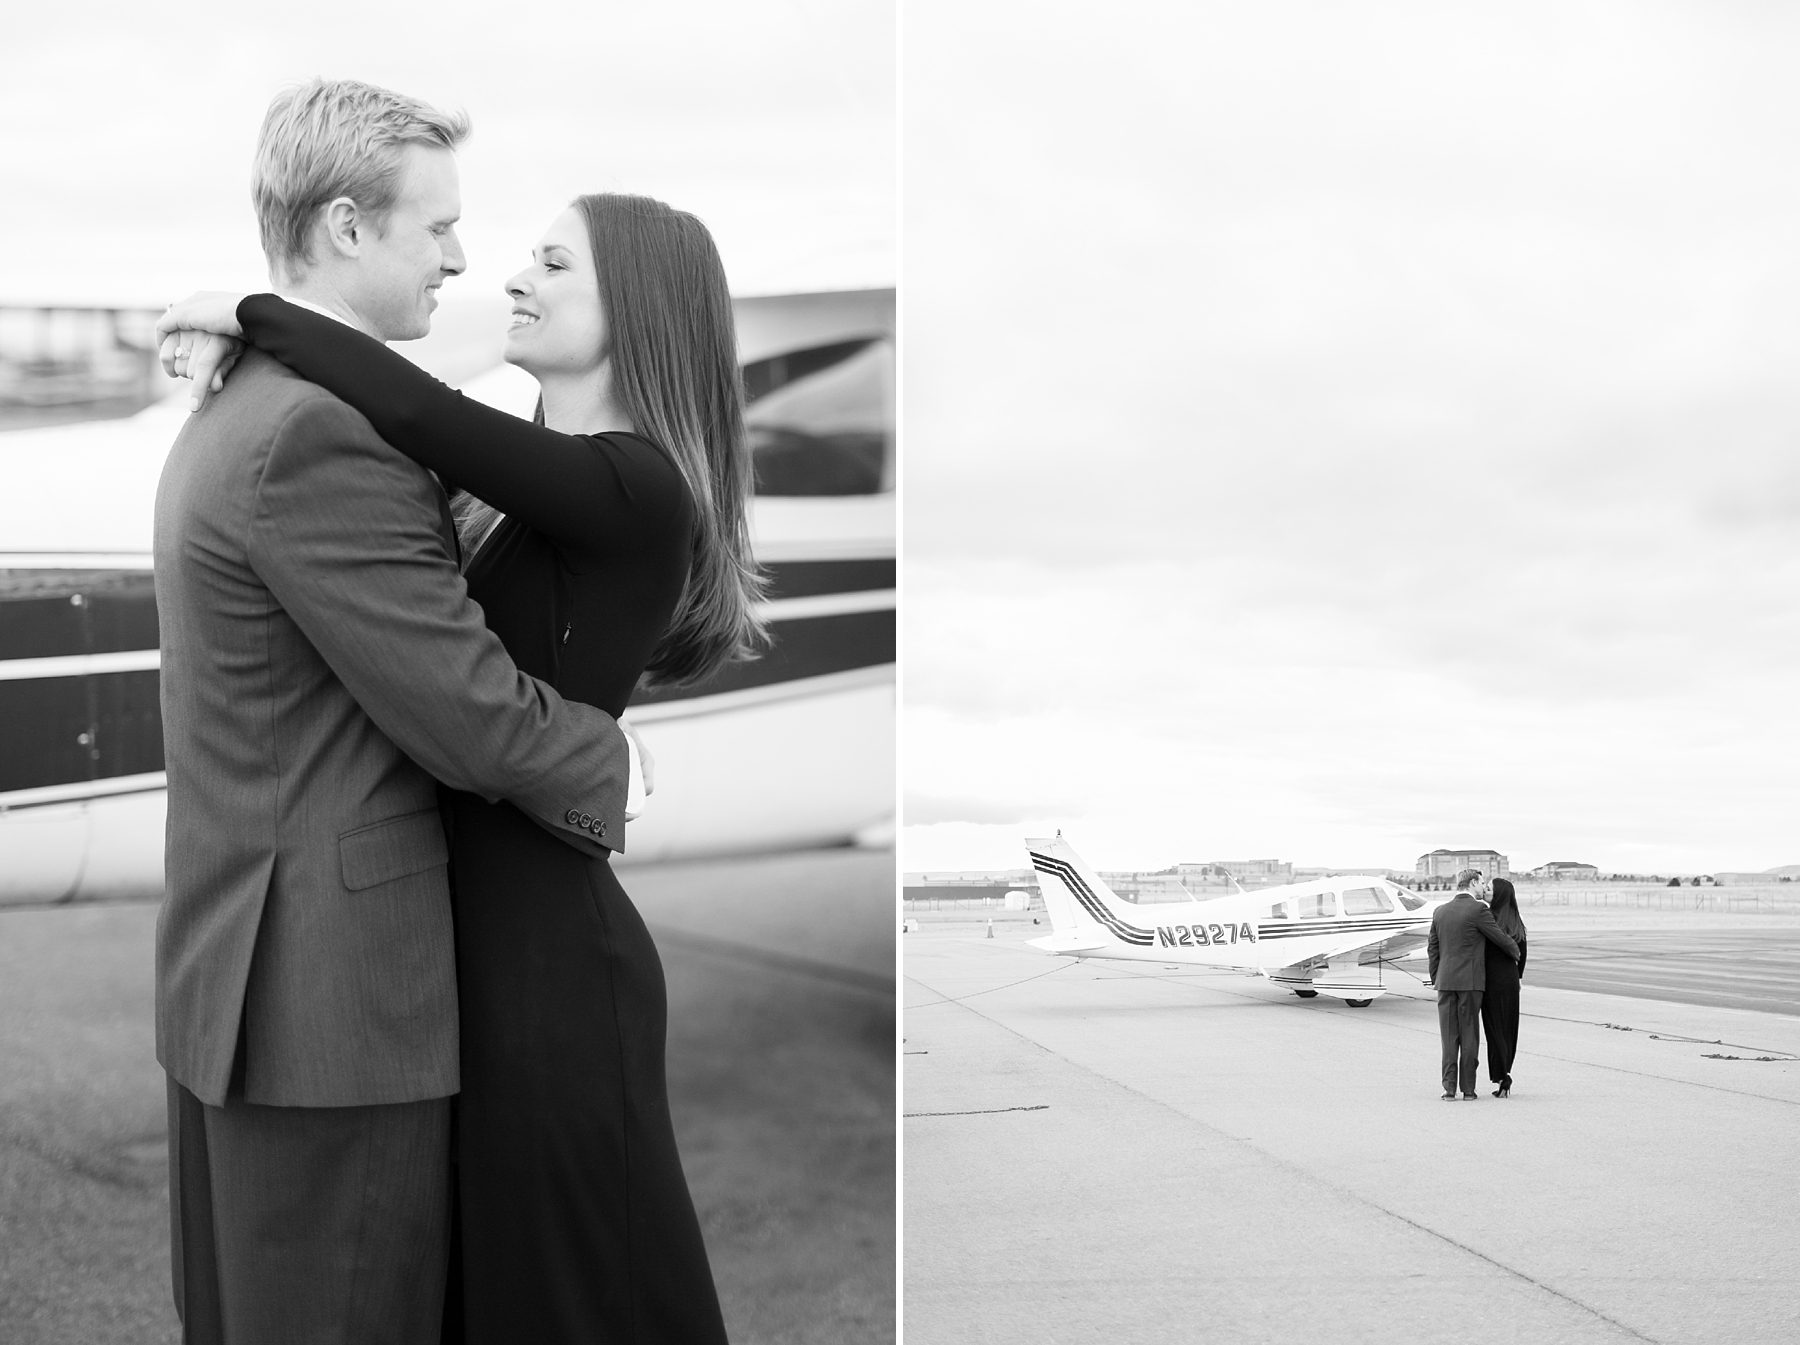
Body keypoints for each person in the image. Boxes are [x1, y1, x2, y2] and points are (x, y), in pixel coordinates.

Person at [160, 125, 764, 1345]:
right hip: (463, 949)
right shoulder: (533, 476)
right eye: (466, 239)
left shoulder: (635, 481)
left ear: (635, 305)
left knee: (572, 1295)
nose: (501, 275)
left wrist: (246, 307)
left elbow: (415, 407)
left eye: (553, 264)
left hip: (542, 952)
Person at [1425, 868, 1518, 1100]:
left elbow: (1433, 949)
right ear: (1473, 882)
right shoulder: (1479, 910)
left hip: (1445, 982)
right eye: (1482, 882)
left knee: (1448, 1037)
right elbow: (1499, 937)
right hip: (1471, 983)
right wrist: (1515, 951)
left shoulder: (1440, 912)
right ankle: (1468, 1090)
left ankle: (1448, 1090)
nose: (1483, 887)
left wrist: (1436, 977)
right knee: (1469, 1036)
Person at [1480, 876, 1528, 1097]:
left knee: (1493, 1028)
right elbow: (1523, 956)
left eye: (1489, 889)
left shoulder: (1488, 919)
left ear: (1498, 895)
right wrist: (1516, 978)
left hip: (1491, 980)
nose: (1486, 891)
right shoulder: (1517, 922)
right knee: (1508, 1029)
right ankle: (1505, 1071)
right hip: (1510, 981)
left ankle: (1502, 1075)